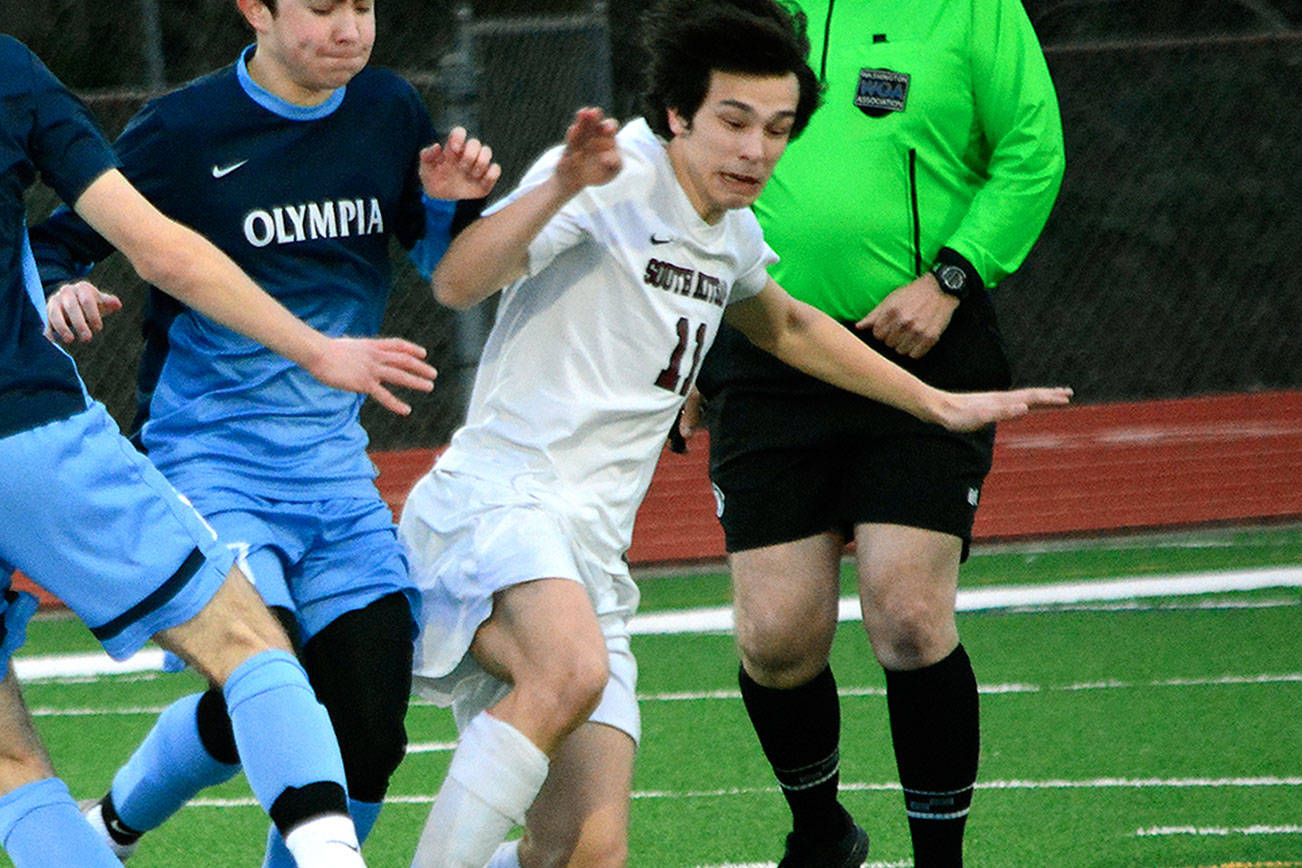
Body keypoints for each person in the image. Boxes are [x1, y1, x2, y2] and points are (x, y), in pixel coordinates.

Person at [397, 1, 1070, 865]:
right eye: (735, 121)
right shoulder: (610, 176)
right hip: (500, 509)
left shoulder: (730, 232)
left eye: (780, 128)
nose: (758, 150)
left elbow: (788, 327)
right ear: (678, 113)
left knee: (582, 853)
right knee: (568, 670)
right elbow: (458, 281)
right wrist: (560, 185)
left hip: (590, 555)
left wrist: (939, 405)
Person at [29, 0, 499, 864]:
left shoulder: (390, 109)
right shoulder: (181, 130)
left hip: (334, 478)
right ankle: (120, 824)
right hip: (210, 464)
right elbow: (57, 243)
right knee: (271, 671)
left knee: (367, 728)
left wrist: (445, 209)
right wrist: (57, 290)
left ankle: (112, 827)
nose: (350, 27)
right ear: (256, 8)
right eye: (323, 8)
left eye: (363, 5)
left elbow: (439, 269)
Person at [683, 1, 1067, 865]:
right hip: (763, 350)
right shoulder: (750, 11)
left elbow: (1032, 152)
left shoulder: (974, 9)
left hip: (926, 343)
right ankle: (821, 834)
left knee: (908, 613)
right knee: (776, 639)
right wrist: (683, 337)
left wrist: (953, 277)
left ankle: (941, 861)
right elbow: (683, 169)